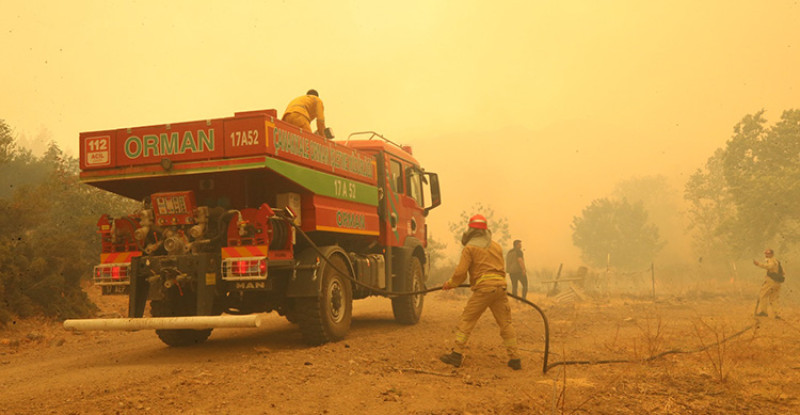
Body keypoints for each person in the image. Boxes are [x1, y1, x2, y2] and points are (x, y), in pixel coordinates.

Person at [439, 214, 521, 370]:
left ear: (470, 230)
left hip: (483, 290)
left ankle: (456, 355)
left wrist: (450, 284)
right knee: (505, 324)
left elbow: (460, 272)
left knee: (467, 320)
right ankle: (515, 358)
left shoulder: (470, 248)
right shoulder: (496, 246)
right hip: (500, 288)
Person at [753, 248, 784, 319]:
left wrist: (758, 264)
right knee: (774, 298)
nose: (766, 255)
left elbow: (769, 266)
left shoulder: (771, 260)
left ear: (772, 254)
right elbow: (783, 272)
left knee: (763, 295)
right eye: (766, 253)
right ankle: (777, 314)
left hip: (771, 282)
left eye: (768, 253)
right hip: (777, 282)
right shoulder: (777, 261)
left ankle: (764, 312)